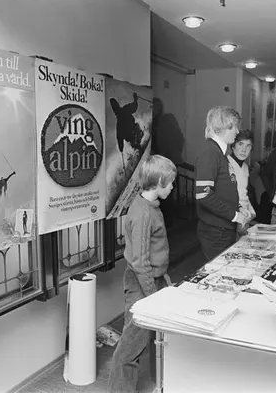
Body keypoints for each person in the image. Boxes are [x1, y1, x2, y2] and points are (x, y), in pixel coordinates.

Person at [108, 155, 177, 393]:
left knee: (144, 339)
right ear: (158, 182)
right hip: (141, 283)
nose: (172, 187)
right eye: (170, 182)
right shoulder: (143, 214)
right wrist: (152, 296)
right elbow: (139, 261)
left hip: (152, 279)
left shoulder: (150, 206)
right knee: (130, 346)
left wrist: (163, 280)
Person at [195, 106, 248, 260]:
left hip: (223, 228)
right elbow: (204, 195)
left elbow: (223, 190)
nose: (237, 131)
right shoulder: (210, 154)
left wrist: (238, 208)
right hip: (216, 231)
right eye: (234, 127)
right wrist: (235, 215)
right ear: (224, 127)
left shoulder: (219, 153)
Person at [151, 98, 185, 227]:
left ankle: (167, 221)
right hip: (155, 162)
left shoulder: (167, 119)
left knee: (166, 192)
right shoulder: (148, 121)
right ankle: (160, 221)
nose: (153, 110)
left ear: (159, 108)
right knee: (155, 192)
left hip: (167, 161)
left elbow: (179, 139)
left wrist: (173, 156)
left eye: (155, 107)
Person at [228, 129, 256, 235]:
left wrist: (251, 212)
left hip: (245, 217)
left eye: (248, 146)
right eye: (241, 144)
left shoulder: (245, 167)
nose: (244, 150)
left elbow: (243, 193)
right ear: (233, 145)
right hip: (232, 216)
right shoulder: (226, 164)